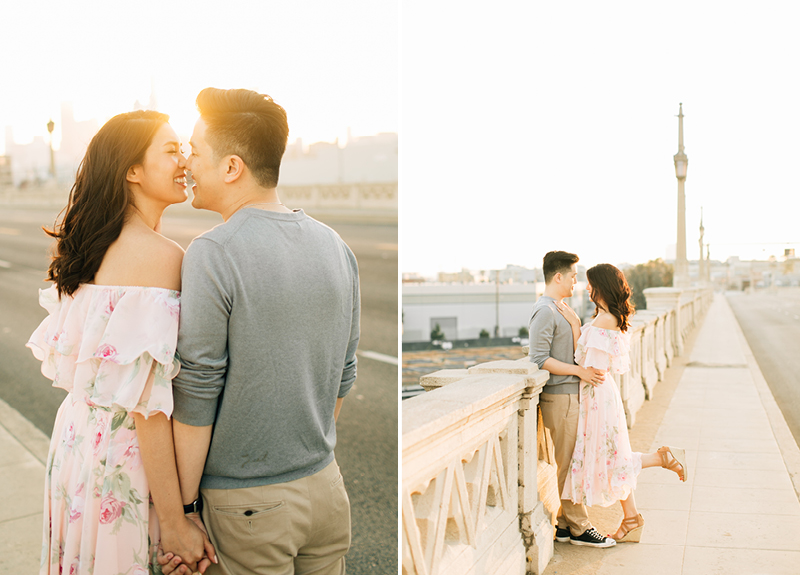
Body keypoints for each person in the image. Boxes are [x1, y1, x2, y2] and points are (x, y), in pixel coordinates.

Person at [160, 88, 359, 575]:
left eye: (195, 152)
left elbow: (198, 391)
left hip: (248, 506)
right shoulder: (336, 246)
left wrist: (184, 511)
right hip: (326, 489)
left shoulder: (214, 252)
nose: (187, 164)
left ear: (232, 167)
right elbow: (344, 375)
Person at [27, 110, 215, 575]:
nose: (185, 161)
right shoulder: (160, 258)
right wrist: (175, 520)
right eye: (171, 151)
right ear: (132, 170)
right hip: (126, 460)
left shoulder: (89, 246)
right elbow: (145, 405)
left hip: (77, 446)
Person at [554, 263, 687, 543]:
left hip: (598, 396)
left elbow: (590, 366)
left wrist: (576, 325)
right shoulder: (607, 316)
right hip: (600, 395)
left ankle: (660, 462)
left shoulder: (604, 320)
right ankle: (631, 517)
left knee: (610, 457)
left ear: (601, 286)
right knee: (612, 456)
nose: (586, 288)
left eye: (590, 283)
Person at [528, 251, 616, 547]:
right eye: (573, 276)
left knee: (571, 459)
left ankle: (565, 526)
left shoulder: (562, 309)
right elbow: (539, 359)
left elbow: (574, 348)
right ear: (558, 277)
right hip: (559, 396)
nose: (576, 282)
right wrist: (580, 371)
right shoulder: (545, 311)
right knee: (568, 464)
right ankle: (580, 526)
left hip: (570, 394)